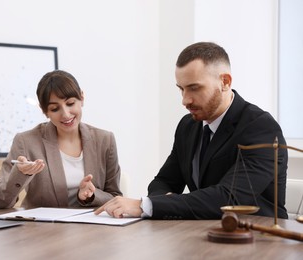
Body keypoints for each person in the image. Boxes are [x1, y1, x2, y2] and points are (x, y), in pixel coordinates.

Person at [95, 42, 288, 220]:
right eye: (181, 89)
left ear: (225, 82)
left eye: (194, 88)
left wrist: (147, 205)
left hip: (258, 241)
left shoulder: (260, 127)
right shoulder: (188, 126)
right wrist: (165, 201)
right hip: (203, 234)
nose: (185, 100)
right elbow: (163, 181)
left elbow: (229, 198)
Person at [0, 70, 122, 209]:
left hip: (92, 229)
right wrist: (20, 175)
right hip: (42, 229)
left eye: (70, 103)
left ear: (82, 98)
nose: (65, 114)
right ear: (44, 110)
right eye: (55, 108)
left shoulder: (105, 140)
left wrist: (91, 196)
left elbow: (115, 197)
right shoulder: (26, 142)